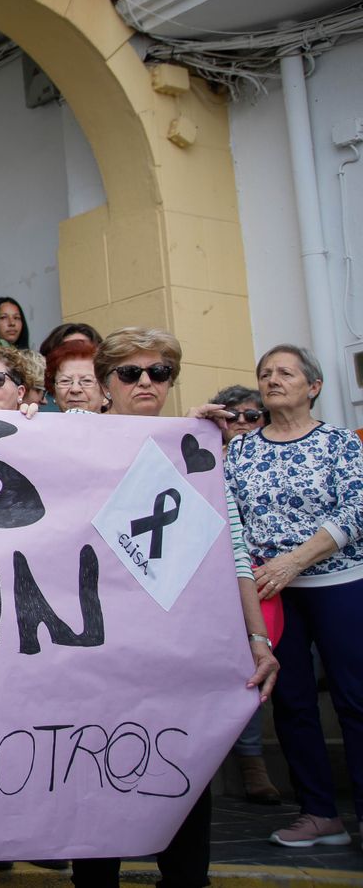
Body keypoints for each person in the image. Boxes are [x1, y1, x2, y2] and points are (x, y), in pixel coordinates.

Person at [75, 327, 279, 885]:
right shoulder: (66, 439)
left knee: (182, 775)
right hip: (96, 644)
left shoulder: (197, 447)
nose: (146, 382)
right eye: (130, 373)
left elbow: (230, 550)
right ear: (103, 384)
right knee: (94, 778)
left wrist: (257, 638)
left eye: (159, 372)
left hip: (176, 645)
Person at [226, 344, 363, 847]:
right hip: (270, 594)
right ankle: (319, 813)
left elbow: (357, 510)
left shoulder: (340, 443)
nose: (272, 379)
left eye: (286, 372)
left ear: (314, 386)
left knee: (355, 698)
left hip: (340, 584)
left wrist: (294, 560)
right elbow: (233, 523)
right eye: (265, 373)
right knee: (292, 701)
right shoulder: (240, 450)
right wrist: (266, 573)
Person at [209, 383, 280, 804]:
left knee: (256, 669)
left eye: (251, 416)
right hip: (223, 583)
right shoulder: (200, 458)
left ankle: (253, 759)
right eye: (231, 416)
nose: (241, 424)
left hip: (267, 581)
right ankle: (247, 759)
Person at [46, 335, 102, 413]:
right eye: (65, 381)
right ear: (54, 392)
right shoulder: (41, 424)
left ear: (105, 391)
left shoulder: (121, 424)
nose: (75, 389)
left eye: (87, 381)